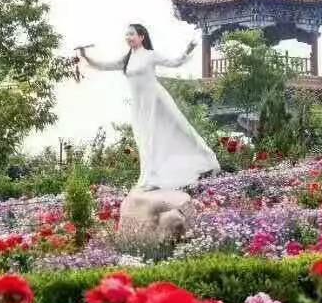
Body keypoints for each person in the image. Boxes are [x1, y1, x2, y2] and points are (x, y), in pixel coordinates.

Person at [78, 23, 220, 191]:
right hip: (140, 106)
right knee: (143, 140)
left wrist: (187, 50)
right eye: (127, 35)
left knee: (178, 130)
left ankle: (206, 160)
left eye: (132, 34)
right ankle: (150, 177)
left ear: (142, 37)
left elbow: (174, 62)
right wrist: (85, 56)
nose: (128, 37)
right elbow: (105, 65)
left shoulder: (150, 55)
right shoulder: (127, 59)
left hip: (156, 100)